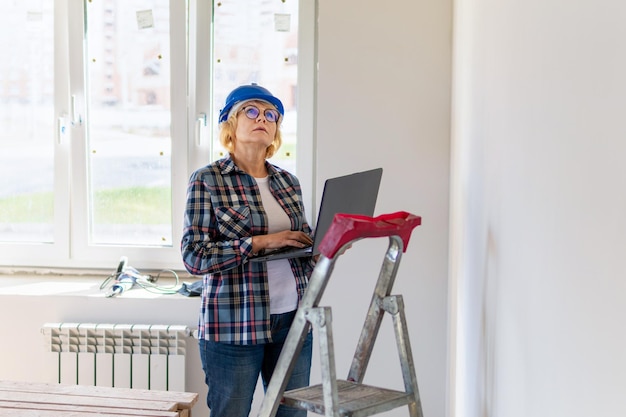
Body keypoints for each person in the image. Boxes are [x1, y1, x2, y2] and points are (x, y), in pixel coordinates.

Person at [181, 83, 315, 417]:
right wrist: (258, 242)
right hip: (233, 324)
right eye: (251, 111)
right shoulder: (208, 180)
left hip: (293, 320)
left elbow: (301, 240)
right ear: (230, 123)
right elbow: (194, 256)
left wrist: (327, 244)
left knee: (293, 413)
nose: (263, 119)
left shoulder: (288, 182)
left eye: (272, 115)